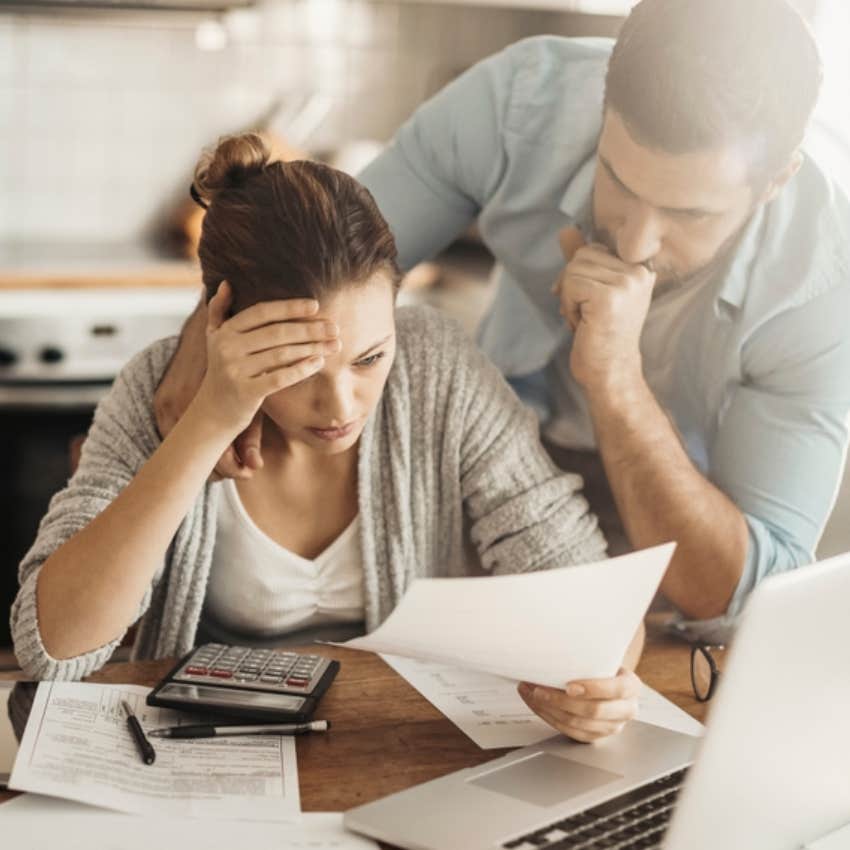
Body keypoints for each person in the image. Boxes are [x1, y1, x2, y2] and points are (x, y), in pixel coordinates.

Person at [156, 0, 850, 643]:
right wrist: (205, 339)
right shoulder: (524, 103)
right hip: (500, 460)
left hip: (683, 514)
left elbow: (743, 598)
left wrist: (616, 381)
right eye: (620, 180)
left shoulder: (823, 290)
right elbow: (319, 256)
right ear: (602, 105)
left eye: (691, 215)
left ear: (777, 179)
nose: (634, 244)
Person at [11, 134, 645, 744]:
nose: (341, 407)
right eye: (302, 370)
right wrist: (205, 426)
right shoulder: (157, 386)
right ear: (224, 329)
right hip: (204, 753)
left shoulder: (436, 365)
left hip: (394, 744)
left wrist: (605, 680)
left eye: (369, 359)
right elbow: (54, 649)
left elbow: (582, 582)